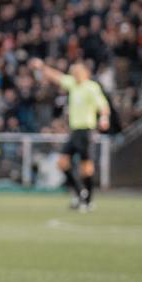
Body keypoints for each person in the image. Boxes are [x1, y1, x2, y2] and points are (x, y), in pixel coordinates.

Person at [29, 57, 111, 211]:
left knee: (86, 167)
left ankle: (88, 200)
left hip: (86, 130)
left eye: (76, 72)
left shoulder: (91, 87)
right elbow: (56, 76)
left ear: (84, 73)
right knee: (62, 163)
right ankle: (80, 193)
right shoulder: (73, 85)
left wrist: (104, 118)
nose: (74, 74)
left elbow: (103, 105)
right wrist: (41, 67)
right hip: (74, 131)